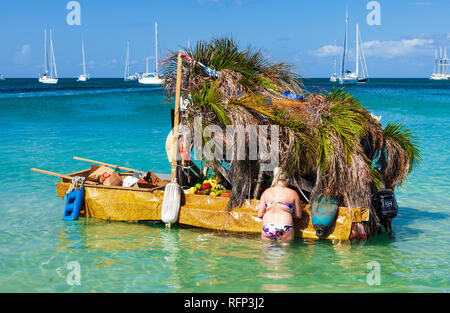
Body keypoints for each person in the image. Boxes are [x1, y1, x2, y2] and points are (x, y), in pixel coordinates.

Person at [257, 168, 303, 241]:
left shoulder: (266, 192)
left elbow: (260, 214)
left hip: (268, 227)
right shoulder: (293, 193)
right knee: (284, 252)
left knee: (267, 251)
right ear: (287, 179)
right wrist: (287, 212)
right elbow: (298, 215)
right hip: (285, 226)